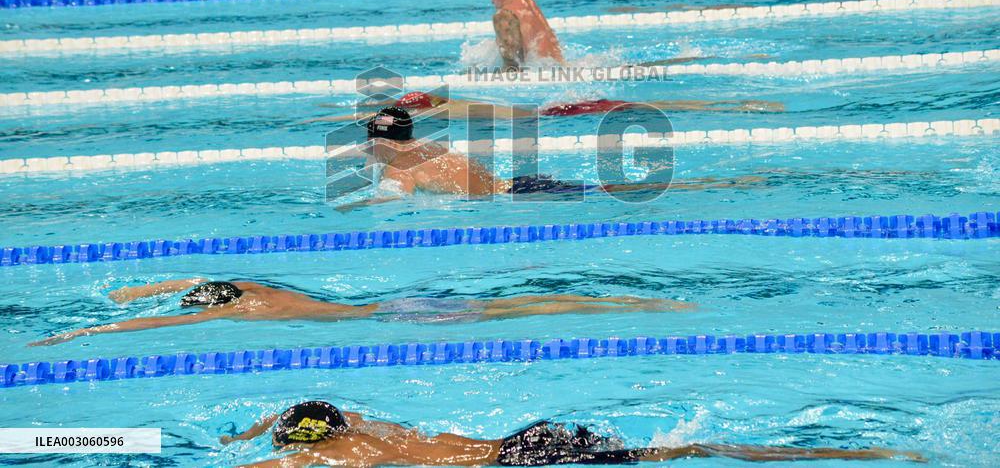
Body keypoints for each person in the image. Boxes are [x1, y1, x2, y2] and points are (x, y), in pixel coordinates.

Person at [228, 400, 927, 467]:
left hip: (522, 461)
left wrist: (115, 446)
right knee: (677, 451)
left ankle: (865, 453)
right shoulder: (366, 429)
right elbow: (305, 406)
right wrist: (256, 429)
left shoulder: (338, 457)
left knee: (688, 452)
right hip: (524, 440)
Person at [336, 107, 763, 211]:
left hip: (519, 197)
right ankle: (727, 183)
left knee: (623, 191)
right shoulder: (433, 148)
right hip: (521, 184)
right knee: (611, 190)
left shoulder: (397, 166)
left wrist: (347, 209)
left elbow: (389, 204)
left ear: (381, 141)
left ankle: (723, 185)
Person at [28, 279, 690, 346]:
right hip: (391, 305)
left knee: (516, 314)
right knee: (518, 305)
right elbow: (190, 281)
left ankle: (636, 304)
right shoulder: (249, 288)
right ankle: (625, 300)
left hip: (394, 320)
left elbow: (164, 322)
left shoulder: (236, 316)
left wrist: (93, 328)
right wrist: (127, 292)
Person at [307, 90, 783, 124]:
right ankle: (738, 103)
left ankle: (740, 104)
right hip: (544, 109)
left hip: (547, 116)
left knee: (632, 107)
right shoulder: (433, 100)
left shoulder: (425, 112)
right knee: (635, 104)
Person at [489, 0, 565, 70]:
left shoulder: (504, 16)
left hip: (541, 75)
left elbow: (512, 66)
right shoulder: (530, 3)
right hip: (558, 68)